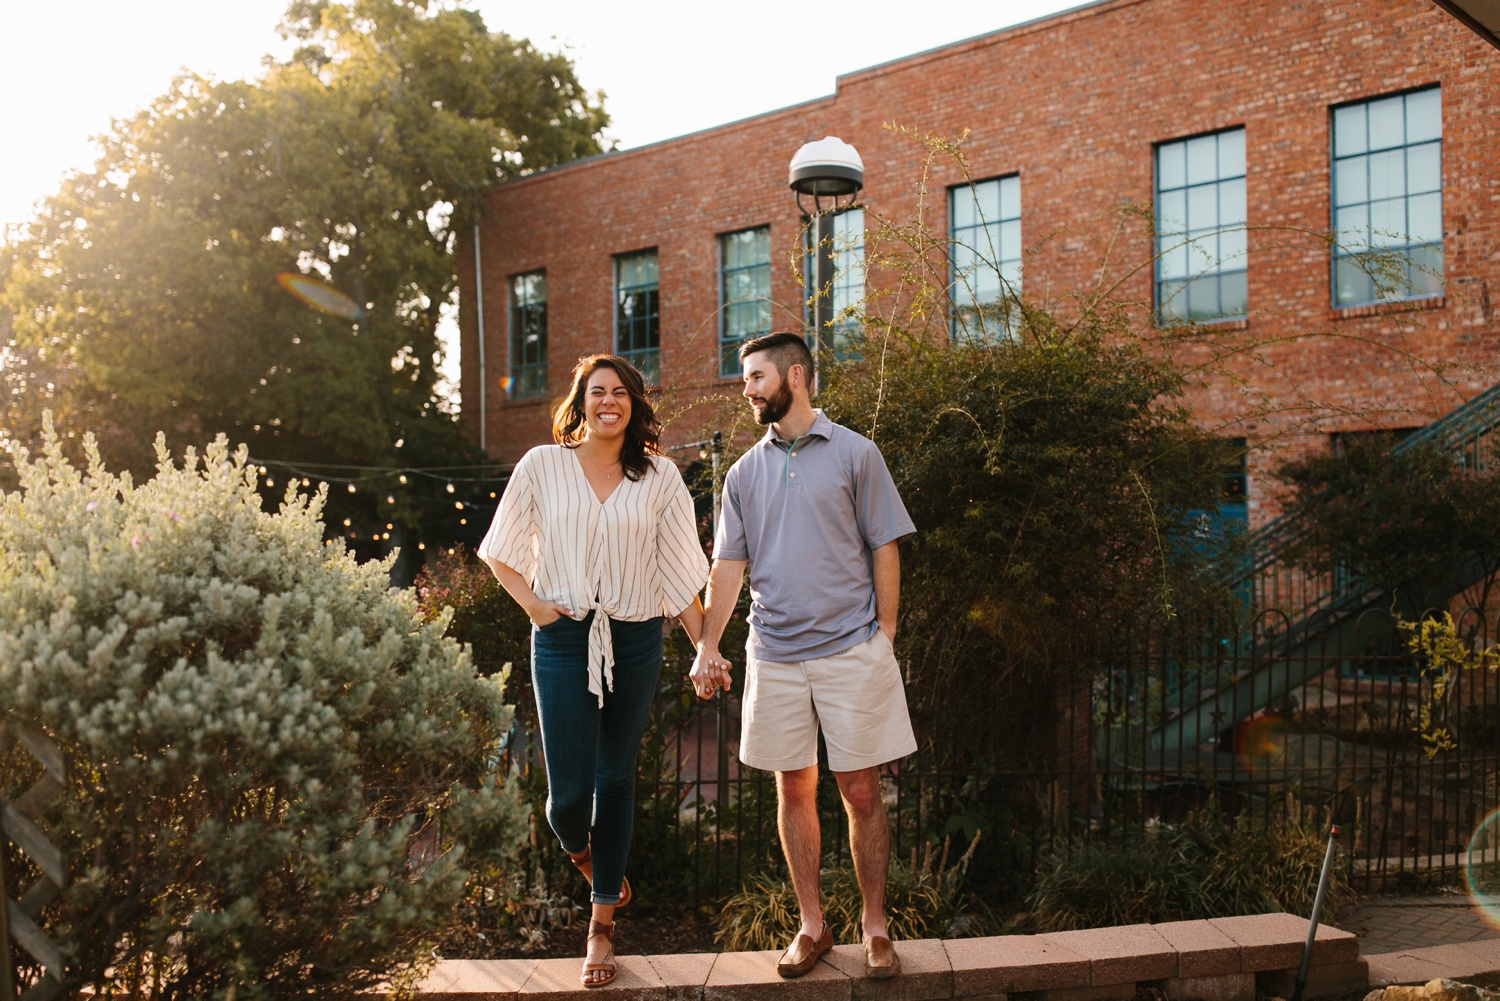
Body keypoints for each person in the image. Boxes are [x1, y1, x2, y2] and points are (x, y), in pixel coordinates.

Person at [691, 331, 917, 980]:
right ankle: (812, 926)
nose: (746, 389)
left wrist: (886, 635)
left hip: (851, 649)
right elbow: (727, 567)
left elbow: (885, 545)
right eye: (744, 379)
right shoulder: (743, 473)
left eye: (756, 377)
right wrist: (708, 643)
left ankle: (875, 926)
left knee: (861, 790)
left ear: (795, 375)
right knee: (793, 788)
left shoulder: (856, 453)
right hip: (775, 655)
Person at [480, 353, 708, 988]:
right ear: (580, 401)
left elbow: (680, 573)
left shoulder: (659, 477)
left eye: (621, 392)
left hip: (635, 637)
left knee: (616, 778)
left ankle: (601, 927)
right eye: (597, 391)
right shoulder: (542, 466)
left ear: (635, 404)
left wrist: (704, 647)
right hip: (561, 637)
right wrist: (538, 609)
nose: (609, 401)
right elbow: (499, 550)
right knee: (569, 798)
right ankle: (581, 851)